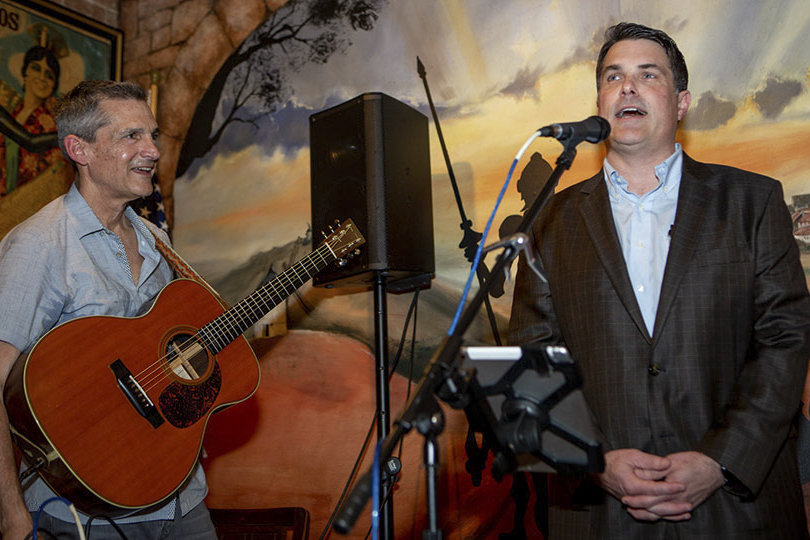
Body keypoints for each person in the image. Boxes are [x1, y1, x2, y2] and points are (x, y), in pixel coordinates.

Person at [508, 22, 810, 539]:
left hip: (739, 510)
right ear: (600, 105)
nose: (627, 87)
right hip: (601, 515)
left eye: (648, 75)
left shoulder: (752, 202)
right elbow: (531, 358)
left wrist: (719, 461)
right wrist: (594, 460)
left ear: (682, 102)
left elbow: (786, 339)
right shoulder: (549, 221)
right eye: (613, 77)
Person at [0, 80, 216, 539]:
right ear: (78, 149)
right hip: (85, 513)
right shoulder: (40, 244)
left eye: (152, 135)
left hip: (182, 498)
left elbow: (159, 355)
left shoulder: (158, 241)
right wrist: (12, 515)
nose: (152, 150)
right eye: (131, 135)